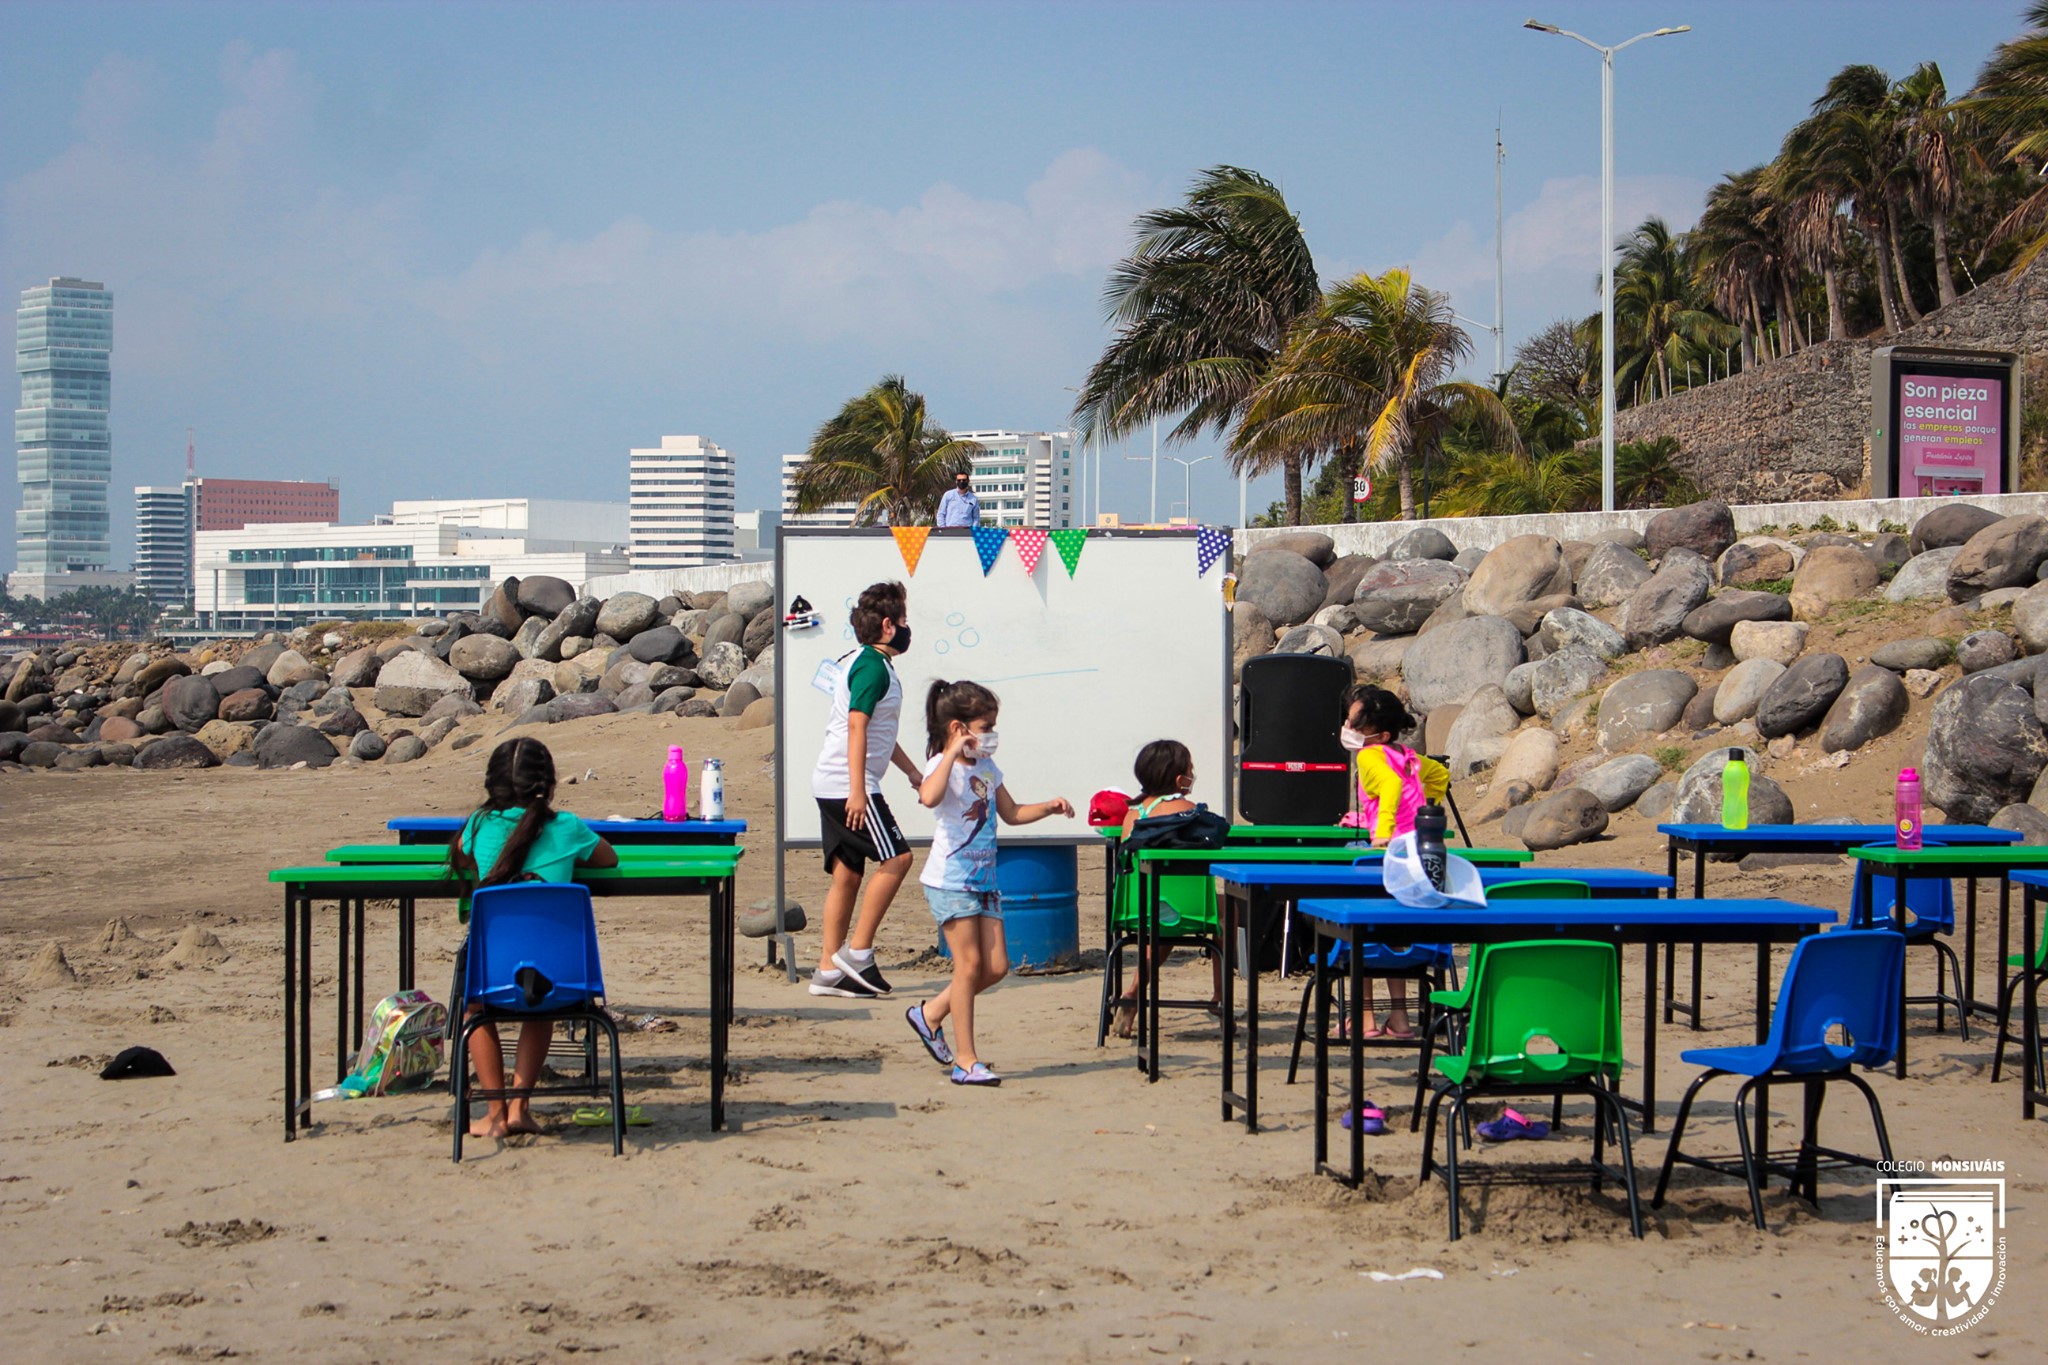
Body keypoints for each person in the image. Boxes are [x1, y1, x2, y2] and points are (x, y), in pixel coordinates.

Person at [445, 736, 618, 1140]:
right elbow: (609, 858)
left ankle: (495, 1112)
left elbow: (460, 849)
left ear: (493, 785)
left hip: (492, 973)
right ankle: (521, 1107)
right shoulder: (569, 828)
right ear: (549, 783)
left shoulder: (478, 825)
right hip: (556, 976)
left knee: (474, 1012)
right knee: (544, 1007)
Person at [904, 679, 1074, 1084]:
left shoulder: (988, 768)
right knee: (969, 966)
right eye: (985, 726)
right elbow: (928, 797)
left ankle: (928, 1015)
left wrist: (1049, 807)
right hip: (951, 880)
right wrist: (949, 753)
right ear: (958, 728)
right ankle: (966, 1060)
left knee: (996, 967)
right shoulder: (941, 765)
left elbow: (1011, 813)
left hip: (985, 880)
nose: (992, 735)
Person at [809, 580, 926, 997]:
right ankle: (858, 952)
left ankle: (827, 969)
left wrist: (913, 773)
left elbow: (879, 733)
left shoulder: (863, 662)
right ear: (890, 626)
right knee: (898, 859)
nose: (909, 629)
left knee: (848, 874)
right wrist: (858, 792)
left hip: (831, 780)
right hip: (847, 784)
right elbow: (858, 725)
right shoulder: (873, 667)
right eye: (905, 622)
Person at [1341, 684, 1450, 1039]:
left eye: (1355, 723)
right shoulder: (1408, 755)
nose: (1348, 727)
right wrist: (1425, 808)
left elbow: (1387, 786)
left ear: (1379, 733)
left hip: (1386, 852)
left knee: (1365, 931)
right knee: (1398, 933)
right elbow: (1441, 777)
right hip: (1416, 851)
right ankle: (1400, 1020)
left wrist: (1382, 831)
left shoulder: (1370, 758)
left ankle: (1366, 1018)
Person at [1109, 739, 1221, 1039]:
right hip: (1186, 909)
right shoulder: (1188, 812)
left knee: (1162, 916)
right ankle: (1220, 996)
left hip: (1136, 908)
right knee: (1228, 909)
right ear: (1178, 778)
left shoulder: (1133, 815)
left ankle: (1132, 992)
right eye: (1190, 769)